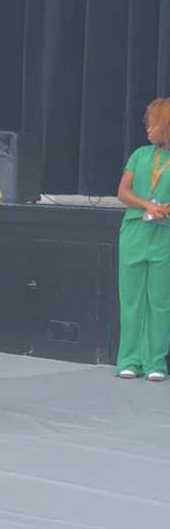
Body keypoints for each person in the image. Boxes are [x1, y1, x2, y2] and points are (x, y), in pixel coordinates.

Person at [116, 97, 170, 380]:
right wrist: (148, 206)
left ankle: (155, 362)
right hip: (135, 232)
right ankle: (129, 359)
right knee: (132, 298)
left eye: (154, 125)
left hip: (164, 235)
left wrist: (164, 209)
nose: (148, 130)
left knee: (160, 300)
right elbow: (123, 193)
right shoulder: (139, 155)